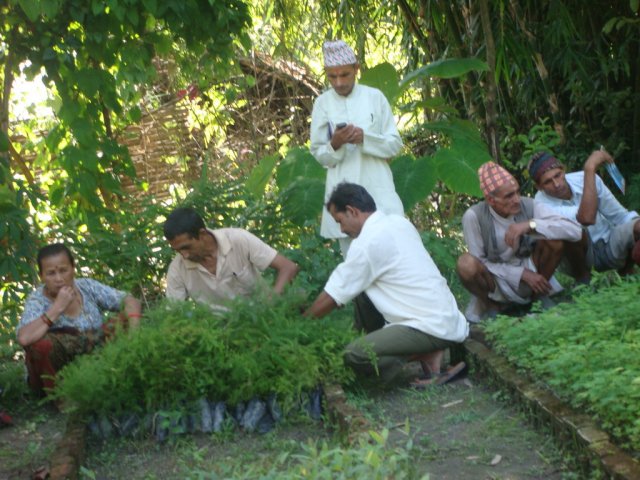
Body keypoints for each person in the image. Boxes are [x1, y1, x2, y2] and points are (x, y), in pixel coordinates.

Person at [304, 182, 468, 387]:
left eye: (340, 221)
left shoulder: (367, 243)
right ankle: (420, 350)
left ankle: (424, 353)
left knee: (352, 355)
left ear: (352, 211)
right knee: (361, 291)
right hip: (447, 319)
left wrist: (302, 323)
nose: (342, 229)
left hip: (427, 326)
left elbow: (332, 296)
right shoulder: (399, 223)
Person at [310, 40, 404, 255]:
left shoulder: (375, 98)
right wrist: (335, 144)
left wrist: (365, 139)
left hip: (378, 191)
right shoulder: (322, 104)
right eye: (332, 76)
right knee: (354, 262)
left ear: (356, 69)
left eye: (345, 75)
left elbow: (394, 145)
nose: (339, 82)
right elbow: (319, 154)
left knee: (392, 257)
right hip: (343, 198)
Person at [457, 162, 583, 323]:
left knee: (555, 241)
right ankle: (491, 306)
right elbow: (480, 262)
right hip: (496, 278)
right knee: (465, 264)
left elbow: (575, 230)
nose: (517, 199)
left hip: (532, 268)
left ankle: (538, 298)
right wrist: (520, 274)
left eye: (517, 192)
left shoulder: (527, 204)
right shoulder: (474, 216)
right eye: (509, 196)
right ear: (491, 200)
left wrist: (531, 225)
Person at [16, 243, 142, 396]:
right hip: (59, 371)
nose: (59, 279)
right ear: (42, 276)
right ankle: (60, 398)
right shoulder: (37, 301)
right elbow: (24, 338)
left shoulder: (87, 286)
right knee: (41, 345)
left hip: (96, 354)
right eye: (51, 273)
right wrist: (57, 308)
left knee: (124, 320)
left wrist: (134, 335)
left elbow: (130, 301)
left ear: (73, 268)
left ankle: (121, 374)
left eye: (63, 270)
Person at [529, 150, 640, 278]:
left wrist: (636, 228)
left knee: (637, 226)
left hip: (609, 242)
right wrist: (590, 168)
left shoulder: (582, 178)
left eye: (557, 175)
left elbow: (619, 216)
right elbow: (586, 218)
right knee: (572, 232)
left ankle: (625, 271)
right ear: (539, 187)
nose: (557, 184)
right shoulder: (540, 205)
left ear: (563, 170)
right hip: (580, 259)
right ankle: (583, 279)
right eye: (548, 182)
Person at [163, 207, 299, 308]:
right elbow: (174, 312)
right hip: (217, 332)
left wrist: (271, 302)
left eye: (186, 247)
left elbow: (288, 267)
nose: (184, 255)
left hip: (262, 319)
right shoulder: (177, 268)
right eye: (178, 250)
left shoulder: (238, 239)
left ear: (202, 234)